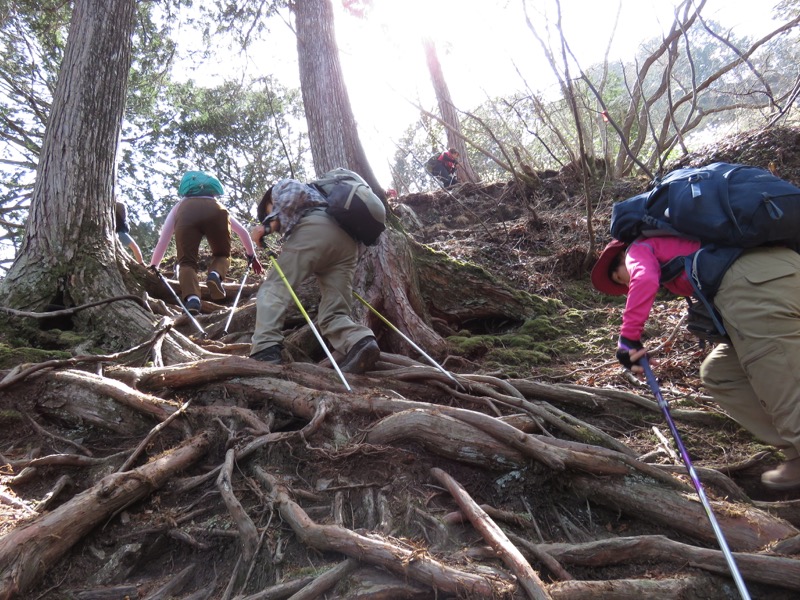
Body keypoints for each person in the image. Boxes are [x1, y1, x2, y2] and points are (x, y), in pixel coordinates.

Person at [591, 236, 800, 491]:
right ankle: (795, 451)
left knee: (777, 374)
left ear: (621, 257)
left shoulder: (639, 248)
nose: (626, 284)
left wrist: (628, 338)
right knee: (720, 373)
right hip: (782, 268)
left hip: (753, 285)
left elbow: (644, 279)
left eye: (620, 278)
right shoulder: (681, 240)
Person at [248, 178, 380, 374]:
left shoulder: (282, 187)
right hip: (348, 245)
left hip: (317, 228)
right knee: (335, 310)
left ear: (269, 200)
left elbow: (293, 193)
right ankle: (359, 341)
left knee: (274, 288)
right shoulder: (327, 199)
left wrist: (267, 225)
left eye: (268, 210)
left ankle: (265, 350)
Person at [149, 171, 263, 315]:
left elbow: (163, 240)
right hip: (216, 213)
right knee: (222, 255)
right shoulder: (218, 205)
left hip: (187, 213)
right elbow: (243, 232)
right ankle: (215, 274)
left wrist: (154, 265)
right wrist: (252, 256)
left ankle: (193, 299)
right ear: (213, 190)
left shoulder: (180, 205)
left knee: (186, 263)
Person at [115, 199, 144, 264]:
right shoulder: (120, 232)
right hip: (119, 231)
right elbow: (134, 247)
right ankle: (141, 264)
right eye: (123, 211)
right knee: (134, 246)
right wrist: (141, 263)